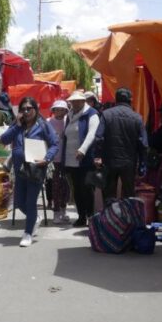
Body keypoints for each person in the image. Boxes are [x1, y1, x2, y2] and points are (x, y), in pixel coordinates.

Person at [0, 97, 59, 247]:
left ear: (35, 109)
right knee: (19, 202)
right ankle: (34, 218)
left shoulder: (43, 125)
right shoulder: (17, 125)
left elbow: (54, 144)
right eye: (23, 109)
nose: (26, 112)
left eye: (29, 108)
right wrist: (16, 124)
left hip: (36, 169)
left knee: (30, 201)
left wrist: (47, 158)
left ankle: (27, 233)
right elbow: (4, 140)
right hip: (19, 169)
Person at [100, 88, 148, 200]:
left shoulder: (106, 115)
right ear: (130, 100)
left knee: (109, 195)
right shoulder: (137, 118)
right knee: (128, 195)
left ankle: (110, 216)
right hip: (129, 162)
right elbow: (143, 144)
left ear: (116, 99)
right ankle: (127, 216)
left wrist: (98, 156)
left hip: (109, 161)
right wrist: (142, 165)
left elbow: (98, 138)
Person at [63, 91, 103, 227]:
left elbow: (92, 134)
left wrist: (83, 150)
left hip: (85, 159)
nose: (73, 104)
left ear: (82, 102)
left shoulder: (92, 114)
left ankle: (91, 216)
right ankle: (81, 217)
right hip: (71, 158)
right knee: (77, 189)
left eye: (76, 101)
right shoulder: (70, 115)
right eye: (72, 102)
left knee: (87, 188)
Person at [47, 100, 71, 224]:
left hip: (67, 158)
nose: (60, 112)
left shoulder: (69, 121)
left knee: (66, 186)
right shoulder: (48, 122)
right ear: (53, 110)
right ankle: (56, 212)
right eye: (57, 109)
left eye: (62, 109)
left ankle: (64, 211)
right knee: (55, 186)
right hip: (54, 159)